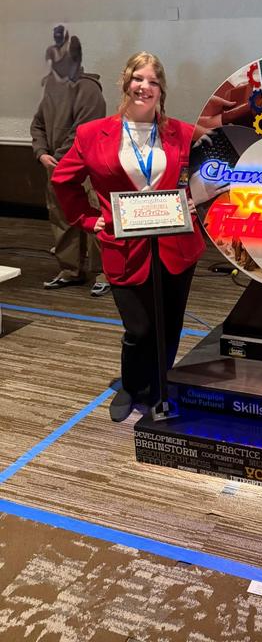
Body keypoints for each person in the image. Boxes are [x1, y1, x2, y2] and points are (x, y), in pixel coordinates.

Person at [52, 52, 206, 422]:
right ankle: (133, 386)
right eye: (139, 78)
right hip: (124, 247)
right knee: (139, 328)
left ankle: (159, 386)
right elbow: (63, 180)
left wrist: (200, 204)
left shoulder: (182, 133)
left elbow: (215, 173)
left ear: (161, 90)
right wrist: (89, 221)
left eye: (153, 81)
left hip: (176, 245)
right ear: (126, 82)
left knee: (169, 325)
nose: (145, 86)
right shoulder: (93, 134)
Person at [31, 25, 110, 296]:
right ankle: (70, 270)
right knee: (61, 219)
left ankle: (105, 273)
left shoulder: (89, 90)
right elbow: (37, 125)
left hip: (84, 170)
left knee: (93, 218)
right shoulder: (51, 91)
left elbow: (84, 131)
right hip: (54, 167)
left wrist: (59, 158)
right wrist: (41, 153)